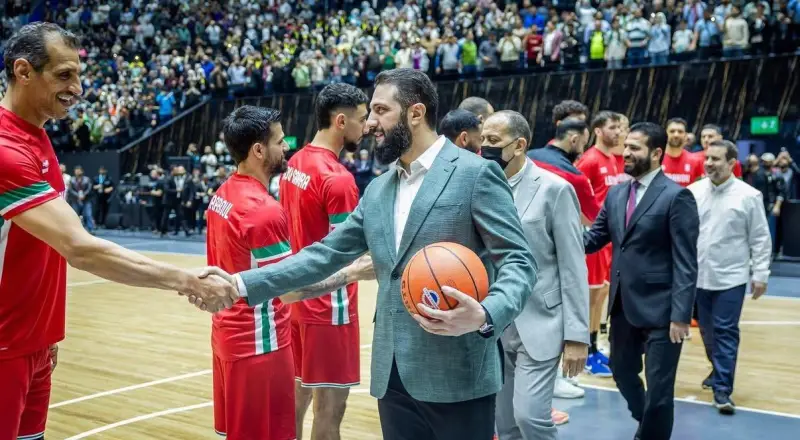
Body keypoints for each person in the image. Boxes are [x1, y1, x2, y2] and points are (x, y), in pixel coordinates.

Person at [194, 68, 537, 440]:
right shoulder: (378, 189)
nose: (370, 122)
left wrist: (486, 313)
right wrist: (240, 284)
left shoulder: (476, 174)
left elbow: (519, 261)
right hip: (392, 378)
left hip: (458, 373)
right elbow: (323, 254)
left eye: (381, 110)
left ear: (416, 113)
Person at [0, 22, 236, 440]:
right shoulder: (6, 148)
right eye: (64, 75)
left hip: (33, 344)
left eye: (78, 75)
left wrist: (44, 336)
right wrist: (187, 280)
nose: (77, 89)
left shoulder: (36, 136)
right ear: (23, 71)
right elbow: (80, 248)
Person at [206, 105, 375, 440]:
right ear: (258, 150)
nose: (287, 147)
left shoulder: (221, 196)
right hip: (260, 344)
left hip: (228, 338)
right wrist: (353, 273)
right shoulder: (263, 211)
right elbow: (288, 290)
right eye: (280, 141)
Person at [583, 122, 699, 440]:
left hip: (663, 309)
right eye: (626, 146)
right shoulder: (617, 193)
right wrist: (555, 236)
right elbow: (593, 239)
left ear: (656, 153)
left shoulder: (677, 196)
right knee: (621, 371)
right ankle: (647, 424)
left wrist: (681, 315)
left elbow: (686, 262)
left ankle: (648, 435)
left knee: (660, 390)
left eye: (634, 148)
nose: (626, 153)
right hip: (623, 306)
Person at [479, 110, 589, 440]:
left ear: (520, 145)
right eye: (483, 139)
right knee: (505, 426)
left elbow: (573, 265)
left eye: (493, 140)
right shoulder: (479, 187)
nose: (484, 147)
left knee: (530, 418)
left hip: (542, 320)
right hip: (494, 322)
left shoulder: (555, 190)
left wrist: (577, 336)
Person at [279, 82, 369, 440]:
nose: (367, 127)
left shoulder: (295, 163)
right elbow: (346, 252)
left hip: (295, 303)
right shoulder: (338, 180)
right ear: (341, 121)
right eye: (362, 119)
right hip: (329, 309)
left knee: (295, 402)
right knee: (330, 412)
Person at [688, 140, 772, 415]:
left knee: (725, 330)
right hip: (698, 276)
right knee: (707, 331)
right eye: (707, 158)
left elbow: (760, 238)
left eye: (716, 159)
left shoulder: (749, 196)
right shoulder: (693, 192)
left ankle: (722, 389)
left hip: (731, 278)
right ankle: (718, 369)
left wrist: (760, 274)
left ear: (732, 163)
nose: (709, 163)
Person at [575, 111, 625, 377]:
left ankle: (594, 348)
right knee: (590, 297)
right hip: (594, 237)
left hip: (609, 239)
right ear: (597, 131)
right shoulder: (590, 160)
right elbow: (574, 197)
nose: (618, 132)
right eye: (612, 127)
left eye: (619, 127)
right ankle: (584, 351)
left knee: (601, 295)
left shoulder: (614, 160)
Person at [662, 118, 705, 187]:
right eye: (672, 131)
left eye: (680, 132)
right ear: (665, 134)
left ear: (685, 135)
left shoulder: (696, 161)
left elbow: (699, 188)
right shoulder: (656, 160)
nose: (676, 135)